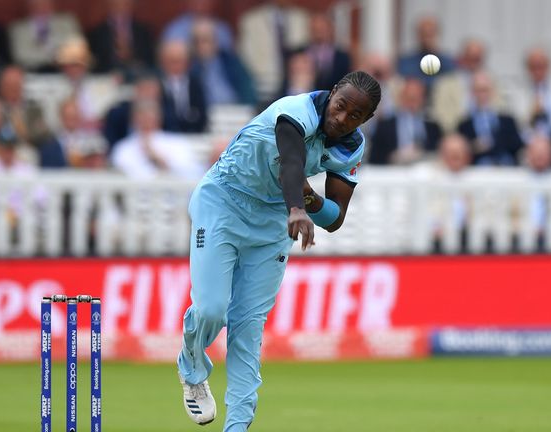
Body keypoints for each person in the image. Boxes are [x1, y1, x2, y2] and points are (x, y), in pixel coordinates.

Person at [177, 71, 380, 431]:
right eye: (340, 107)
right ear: (331, 94)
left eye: (354, 116)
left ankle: (236, 426)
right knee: (211, 309)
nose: (341, 119)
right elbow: (291, 161)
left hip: (272, 222)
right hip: (223, 201)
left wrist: (308, 199)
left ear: (366, 120)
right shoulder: (294, 110)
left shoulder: (351, 147)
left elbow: (334, 218)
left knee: (248, 327)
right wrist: (298, 208)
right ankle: (192, 370)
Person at [368, 78, 442, 165]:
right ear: (401, 97)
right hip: (393, 172)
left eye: (416, 98)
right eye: (409, 98)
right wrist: (393, 157)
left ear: (423, 100)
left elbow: (438, 154)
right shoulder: (384, 126)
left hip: (423, 171)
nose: (412, 103)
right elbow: (374, 158)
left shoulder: (432, 127)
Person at [457, 71, 523, 166]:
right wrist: (473, 147)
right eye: (478, 90)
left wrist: (493, 142)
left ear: (492, 91)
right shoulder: (464, 125)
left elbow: (517, 146)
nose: (482, 95)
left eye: (485, 90)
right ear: (472, 93)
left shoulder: (508, 121)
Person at [86, 0, 155, 79]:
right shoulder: (96, 33)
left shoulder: (144, 31)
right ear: (109, 6)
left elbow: (150, 60)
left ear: (131, 6)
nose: (121, 8)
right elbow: (93, 63)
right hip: (106, 80)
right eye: (116, 5)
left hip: (137, 79)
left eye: (125, 4)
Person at [8, 0, 81, 72]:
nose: (41, 7)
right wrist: (54, 57)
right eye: (37, 4)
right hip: (32, 73)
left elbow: (76, 48)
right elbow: (21, 57)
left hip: (65, 73)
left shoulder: (67, 23)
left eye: (45, 3)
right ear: (29, 6)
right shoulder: (18, 29)